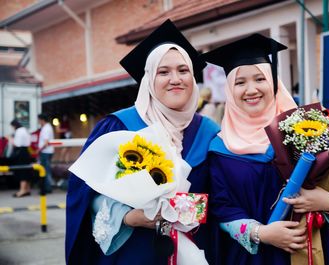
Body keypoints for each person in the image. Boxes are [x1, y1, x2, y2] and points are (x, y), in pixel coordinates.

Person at [202, 34, 329, 265]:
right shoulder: (219, 149)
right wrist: (261, 233)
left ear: (274, 83)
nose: (251, 89)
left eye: (259, 79)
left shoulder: (310, 129)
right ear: (229, 91)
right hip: (257, 257)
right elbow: (220, 209)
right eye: (240, 82)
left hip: (316, 250)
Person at [65, 19, 220, 265]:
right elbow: (85, 195)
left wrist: (188, 209)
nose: (175, 79)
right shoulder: (119, 125)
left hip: (194, 251)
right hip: (130, 252)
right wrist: (128, 217)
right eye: (163, 71)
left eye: (183, 70)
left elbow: (225, 196)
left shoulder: (210, 131)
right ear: (149, 80)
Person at [9, 119, 32, 197]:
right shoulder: (25, 130)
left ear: (14, 125)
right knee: (27, 170)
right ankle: (27, 189)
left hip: (21, 152)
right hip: (26, 152)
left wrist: (10, 139)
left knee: (22, 171)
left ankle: (22, 190)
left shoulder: (18, 131)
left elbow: (17, 144)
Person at [38, 113, 55, 193]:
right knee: (46, 170)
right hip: (47, 151)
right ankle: (46, 187)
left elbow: (46, 142)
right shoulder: (47, 127)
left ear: (42, 120)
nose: (38, 122)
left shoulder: (46, 128)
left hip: (45, 152)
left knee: (45, 170)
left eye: (39, 120)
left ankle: (47, 188)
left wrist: (39, 150)